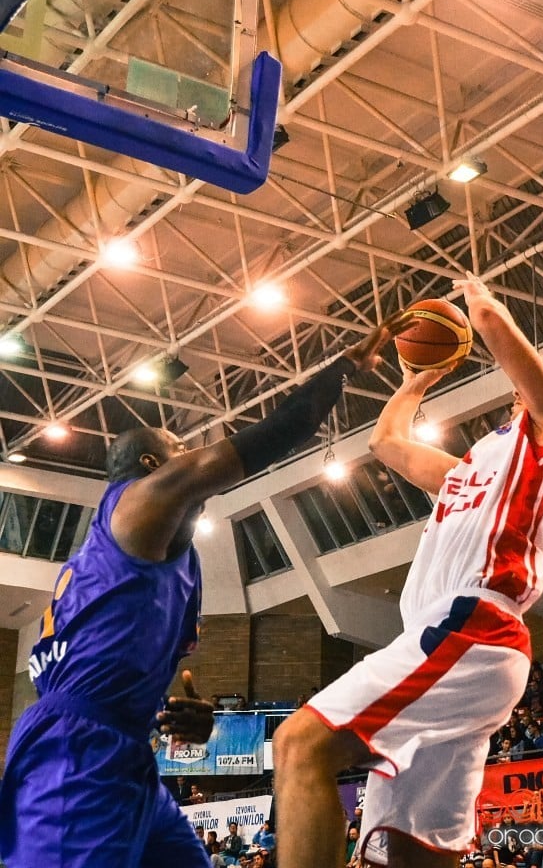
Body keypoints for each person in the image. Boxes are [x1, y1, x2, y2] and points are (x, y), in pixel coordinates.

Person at [0, 314, 410, 868]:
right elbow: (277, 433)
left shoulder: (175, 563)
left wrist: (177, 710)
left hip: (123, 747)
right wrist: (344, 368)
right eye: (179, 447)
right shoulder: (138, 500)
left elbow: (127, 658)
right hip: (74, 748)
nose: (193, 455)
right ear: (152, 467)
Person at [273, 272, 543, 868]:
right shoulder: (476, 469)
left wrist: (480, 303)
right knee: (410, 853)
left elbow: (511, 349)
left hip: (472, 629)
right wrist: (414, 381)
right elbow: (387, 444)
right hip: (454, 644)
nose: (523, 390)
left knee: (300, 744)